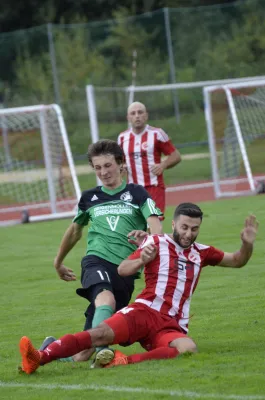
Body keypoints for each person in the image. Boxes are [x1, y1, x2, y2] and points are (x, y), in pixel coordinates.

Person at [19, 202, 258, 374]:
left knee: (187, 348)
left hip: (170, 325)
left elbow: (238, 260)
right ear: (174, 223)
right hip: (143, 312)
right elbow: (123, 269)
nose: (189, 233)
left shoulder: (202, 253)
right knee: (99, 334)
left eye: (194, 229)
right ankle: (39, 357)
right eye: (184, 227)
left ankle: (123, 361)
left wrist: (246, 244)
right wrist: (142, 259)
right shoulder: (155, 242)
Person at [45, 139, 163, 367]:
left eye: (107, 165)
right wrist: (58, 262)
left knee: (82, 352)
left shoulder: (137, 193)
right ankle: (103, 351)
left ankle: (50, 348)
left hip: (126, 269)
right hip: (96, 261)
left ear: (120, 163)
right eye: (97, 168)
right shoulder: (89, 197)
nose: (103, 172)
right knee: (105, 299)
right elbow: (74, 231)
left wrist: (151, 242)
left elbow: (154, 222)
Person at [118, 102, 181, 217]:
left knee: (153, 224)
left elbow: (176, 156)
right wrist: (121, 167)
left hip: (154, 187)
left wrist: (163, 165)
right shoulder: (122, 138)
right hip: (132, 190)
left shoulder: (157, 134)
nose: (137, 116)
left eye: (140, 112)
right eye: (133, 113)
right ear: (128, 118)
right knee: (136, 227)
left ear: (146, 115)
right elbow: (120, 161)